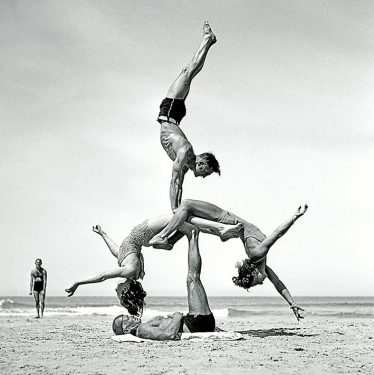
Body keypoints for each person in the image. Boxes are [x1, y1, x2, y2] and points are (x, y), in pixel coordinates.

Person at [149, 200, 308, 320]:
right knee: (186, 210)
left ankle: (167, 239)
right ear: (253, 271)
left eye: (257, 282)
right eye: (257, 282)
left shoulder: (257, 257)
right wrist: (294, 217)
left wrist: (292, 304)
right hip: (225, 221)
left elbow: (278, 283)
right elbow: (277, 235)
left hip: (225, 221)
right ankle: (165, 238)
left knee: (186, 207)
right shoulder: (258, 255)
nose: (261, 282)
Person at [65, 215, 242, 315]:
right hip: (143, 233)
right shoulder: (130, 271)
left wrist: (103, 234)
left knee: (185, 222)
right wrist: (78, 283)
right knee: (182, 215)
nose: (116, 292)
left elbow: (117, 251)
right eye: (119, 295)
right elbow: (103, 275)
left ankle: (214, 232)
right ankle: (220, 230)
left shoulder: (127, 267)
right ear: (126, 291)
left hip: (143, 236)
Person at [157, 21, 221, 212]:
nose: (202, 176)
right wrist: (174, 210)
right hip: (170, 114)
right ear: (201, 162)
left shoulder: (186, 162)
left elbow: (179, 185)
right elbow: (174, 181)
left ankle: (208, 41)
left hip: (172, 117)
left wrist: (177, 209)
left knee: (191, 72)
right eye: (205, 172)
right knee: (189, 70)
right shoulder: (185, 152)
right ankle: (207, 41)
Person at [112, 227, 218, 340]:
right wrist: (177, 316)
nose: (131, 317)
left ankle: (190, 234)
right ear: (126, 329)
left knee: (192, 278)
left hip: (197, 323)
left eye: (128, 316)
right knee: (193, 278)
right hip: (195, 324)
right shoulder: (142, 329)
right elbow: (168, 335)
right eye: (127, 319)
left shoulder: (143, 328)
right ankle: (192, 234)